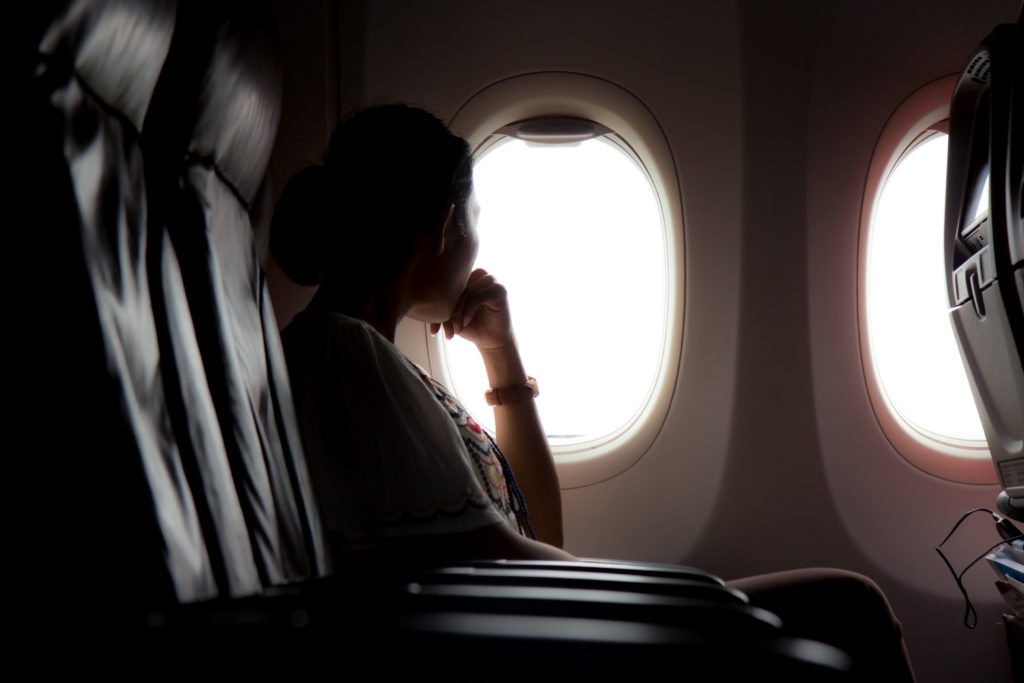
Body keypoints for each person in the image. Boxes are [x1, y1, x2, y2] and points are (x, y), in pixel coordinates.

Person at [272, 103, 915, 682]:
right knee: (850, 607)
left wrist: (501, 357)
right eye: (474, 225)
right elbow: (512, 562)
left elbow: (534, 530)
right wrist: (677, 600)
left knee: (841, 607)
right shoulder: (346, 354)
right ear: (442, 227)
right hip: (510, 646)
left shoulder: (368, 359)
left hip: (525, 630)